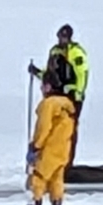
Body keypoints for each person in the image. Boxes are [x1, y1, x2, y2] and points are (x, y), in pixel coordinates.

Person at [17, 71, 76, 205]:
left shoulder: (48, 105)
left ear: (48, 86)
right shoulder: (66, 105)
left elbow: (44, 127)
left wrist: (35, 146)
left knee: (37, 178)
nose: (41, 89)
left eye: (42, 86)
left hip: (48, 150)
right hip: (63, 149)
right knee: (56, 179)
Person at [28, 23, 88, 164]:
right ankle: (50, 161)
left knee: (68, 130)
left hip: (71, 97)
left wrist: (76, 91)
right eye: (60, 37)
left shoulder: (76, 53)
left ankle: (67, 163)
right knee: (51, 128)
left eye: (65, 37)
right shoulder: (54, 51)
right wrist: (37, 72)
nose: (62, 40)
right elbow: (50, 74)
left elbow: (82, 75)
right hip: (55, 96)